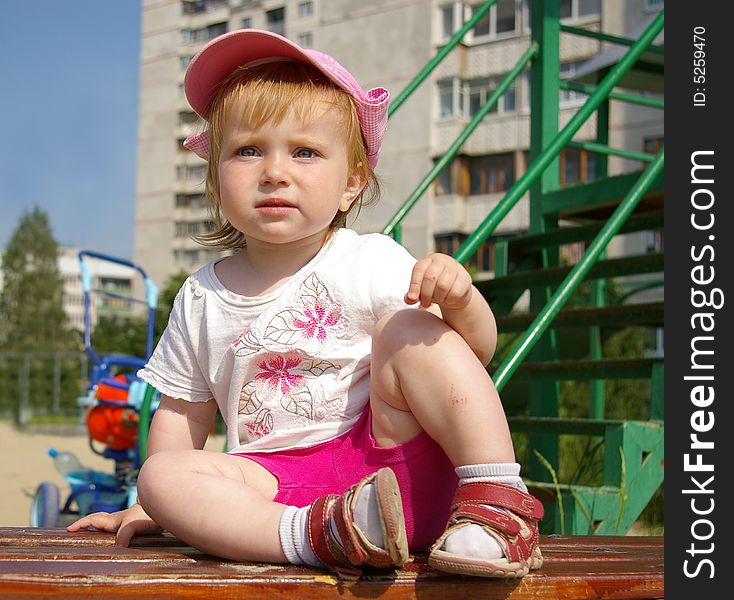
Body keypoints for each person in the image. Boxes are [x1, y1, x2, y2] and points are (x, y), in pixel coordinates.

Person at [68, 29, 543, 578]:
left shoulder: (369, 260)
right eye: (248, 150)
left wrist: (462, 304)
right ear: (216, 178)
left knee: (410, 327)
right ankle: (321, 536)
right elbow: (182, 413)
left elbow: (471, 355)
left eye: (305, 152)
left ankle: (496, 502)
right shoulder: (201, 296)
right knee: (161, 474)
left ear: (351, 183)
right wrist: (154, 506)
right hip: (273, 494)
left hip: (393, 466)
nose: (274, 171)